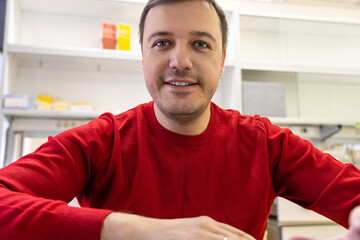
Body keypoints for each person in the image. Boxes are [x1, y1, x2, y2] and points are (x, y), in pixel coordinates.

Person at [0, 0, 359, 239]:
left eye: (200, 44)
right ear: (142, 56)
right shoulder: (102, 141)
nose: (180, 61)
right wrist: (133, 229)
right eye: (162, 43)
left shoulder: (266, 143)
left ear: (221, 60)